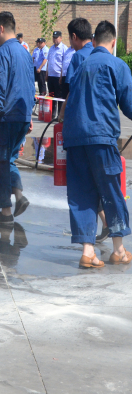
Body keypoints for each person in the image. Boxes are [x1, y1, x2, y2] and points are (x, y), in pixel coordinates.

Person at [59, 20, 132, 268]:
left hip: (74, 138)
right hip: (101, 137)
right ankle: (119, 250)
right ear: (113, 42)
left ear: (94, 40)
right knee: (111, 190)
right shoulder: (116, 65)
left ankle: (88, 252)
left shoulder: (81, 63)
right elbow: (129, 104)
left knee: (81, 193)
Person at [0, 12, 35, 225]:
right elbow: (30, 85)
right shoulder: (25, 52)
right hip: (22, 116)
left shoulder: (2, 52)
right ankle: (19, 196)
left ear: (1, 28)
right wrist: (29, 114)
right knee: (10, 159)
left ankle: (5, 212)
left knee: (2, 162)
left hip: (7, 116)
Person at [46, 31, 68, 117]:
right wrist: (47, 74)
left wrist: (61, 76)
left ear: (61, 38)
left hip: (58, 76)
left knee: (59, 96)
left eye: (56, 37)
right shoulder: (51, 48)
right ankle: (52, 114)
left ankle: (59, 114)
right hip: (51, 76)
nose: (55, 39)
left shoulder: (64, 48)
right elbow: (48, 62)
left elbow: (64, 64)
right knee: (52, 95)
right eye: (54, 37)